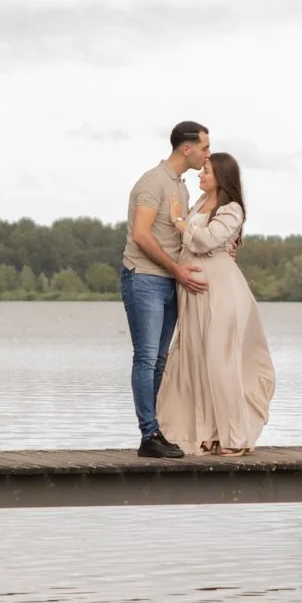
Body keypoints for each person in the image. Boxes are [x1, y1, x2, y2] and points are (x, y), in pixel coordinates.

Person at [156, 152, 275, 457]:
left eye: (206, 171)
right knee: (197, 360)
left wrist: (181, 224)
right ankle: (210, 433)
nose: (200, 175)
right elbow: (192, 241)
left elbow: (206, 240)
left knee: (220, 362)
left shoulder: (232, 209)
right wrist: (182, 226)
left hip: (222, 290)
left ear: (220, 176)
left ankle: (235, 436)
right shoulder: (198, 205)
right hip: (194, 292)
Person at [120, 121, 211, 459]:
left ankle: (156, 431)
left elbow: (182, 235)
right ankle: (149, 435)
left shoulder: (181, 188)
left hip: (170, 281)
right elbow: (142, 235)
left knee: (159, 360)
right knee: (145, 357)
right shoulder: (153, 182)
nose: (207, 155)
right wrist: (176, 270)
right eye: (204, 148)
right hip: (143, 278)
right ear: (186, 148)